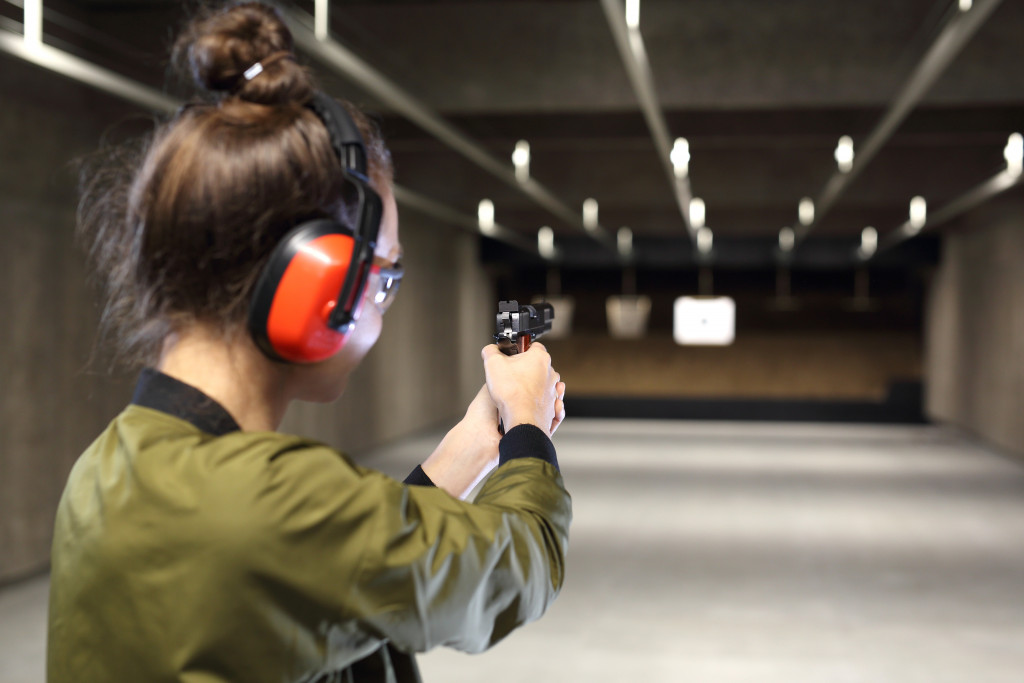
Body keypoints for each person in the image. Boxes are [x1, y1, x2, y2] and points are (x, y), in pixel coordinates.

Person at [46, 3, 570, 682]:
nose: (381, 300)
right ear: (317, 280)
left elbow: (341, 574)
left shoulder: (112, 467)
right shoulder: (276, 504)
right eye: (383, 274)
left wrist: (476, 443)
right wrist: (530, 429)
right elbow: (517, 569)